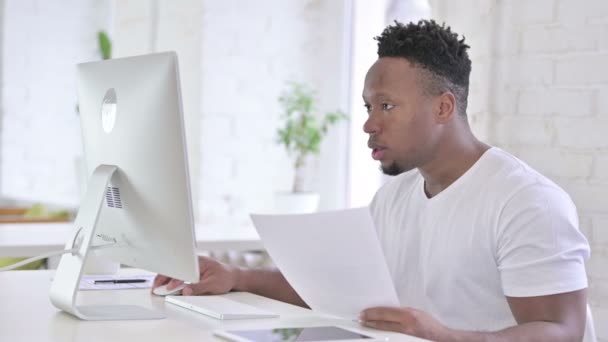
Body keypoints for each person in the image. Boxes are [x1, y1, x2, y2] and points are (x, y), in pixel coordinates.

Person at [154, 20, 591, 341]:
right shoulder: (395, 197)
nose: (368, 125)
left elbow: (561, 331)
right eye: (367, 107)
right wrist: (236, 276)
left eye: (386, 107)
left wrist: (446, 336)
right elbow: (335, 291)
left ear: (443, 108)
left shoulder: (525, 201)